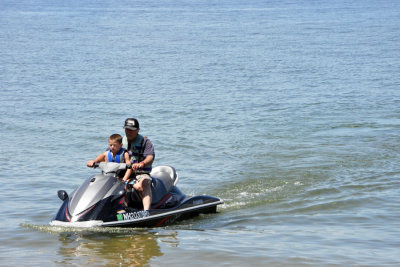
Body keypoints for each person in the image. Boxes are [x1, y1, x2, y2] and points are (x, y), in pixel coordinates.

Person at [123, 118, 155, 211]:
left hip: (140, 173)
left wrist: (142, 163)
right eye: (126, 129)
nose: (128, 132)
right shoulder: (120, 141)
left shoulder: (145, 141)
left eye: (131, 130)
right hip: (125, 173)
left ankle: (146, 211)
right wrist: (96, 162)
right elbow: (107, 153)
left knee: (145, 183)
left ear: (137, 130)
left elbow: (150, 157)